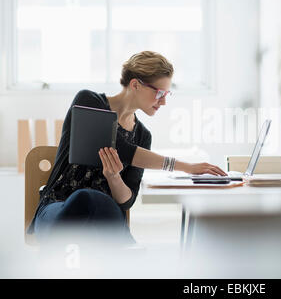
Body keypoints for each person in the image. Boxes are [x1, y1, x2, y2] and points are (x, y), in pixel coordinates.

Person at [27, 51, 227, 246]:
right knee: (85, 197)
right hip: (58, 207)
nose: (164, 101)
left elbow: (126, 201)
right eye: (159, 93)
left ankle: (128, 256)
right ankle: (128, 252)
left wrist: (114, 178)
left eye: (167, 94)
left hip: (104, 217)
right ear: (135, 85)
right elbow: (121, 148)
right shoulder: (88, 101)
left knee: (100, 204)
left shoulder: (143, 136)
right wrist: (187, 167)